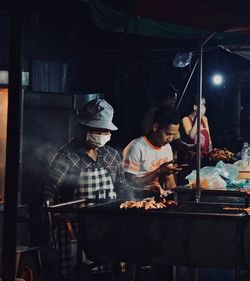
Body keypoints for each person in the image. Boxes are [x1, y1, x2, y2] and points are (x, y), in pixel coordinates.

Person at [41, 99, 130, 280]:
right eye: (97, 129)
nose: (102, 134)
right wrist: (56, 218)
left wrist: (143, 191)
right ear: (83, 128)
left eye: (105, 130)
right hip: (73, 231)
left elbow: (122, 187)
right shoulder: (67, 155)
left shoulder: (111, 156)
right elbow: (47, 189)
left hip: (107, 229)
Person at [123, 107, 183, 194]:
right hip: (136, 198)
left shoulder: (167, 147)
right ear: (155, 127)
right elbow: (129, 183)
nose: (170, 139)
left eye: (173, 135)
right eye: (168, 134)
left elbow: (169, 181)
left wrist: (175, 197)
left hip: (155, 197)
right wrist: (158, 171)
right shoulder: (136, 147)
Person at [142, 83, 194, 154]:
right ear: (167, 98)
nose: (174, 104)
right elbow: (178, 143)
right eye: (174, 101)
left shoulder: (149, 114)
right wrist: (195, 146)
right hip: (158, 157)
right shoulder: (165, 116)